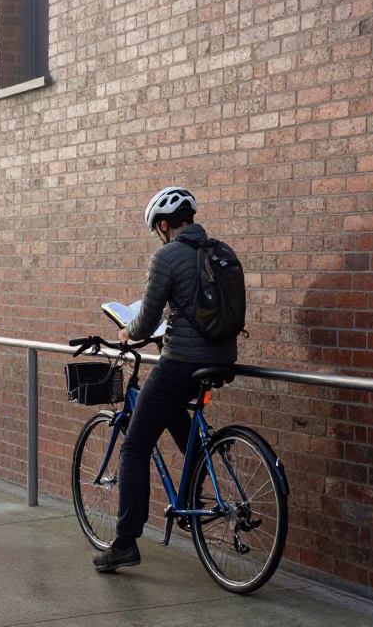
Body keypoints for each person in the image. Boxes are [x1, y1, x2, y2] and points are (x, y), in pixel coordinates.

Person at [93, 186, 239, 572]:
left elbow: (146, 319)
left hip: (182, 363)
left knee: (134, 447)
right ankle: (194, 492)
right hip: (223, 360)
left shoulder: (167, 255)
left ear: (163, 225)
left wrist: (128, 333)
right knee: (175, 415)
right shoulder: (221, 252)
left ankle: (125, 542)